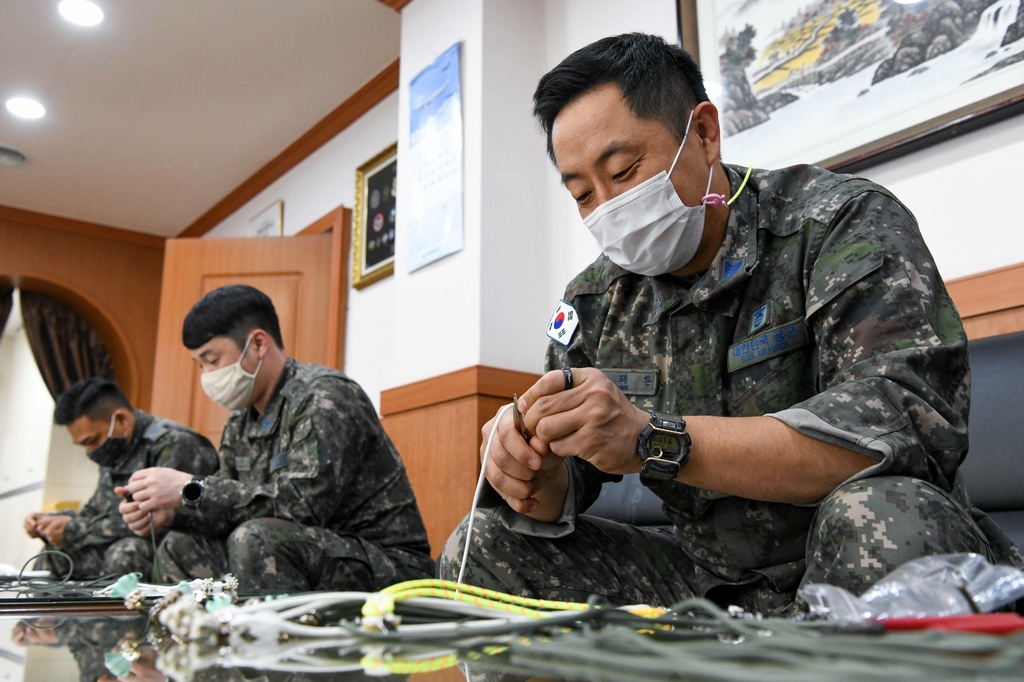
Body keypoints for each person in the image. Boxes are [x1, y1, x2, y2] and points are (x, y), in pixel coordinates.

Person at [440, 33, 1024, 614]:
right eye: (583, 194)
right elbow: (564, 491)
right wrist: (528, 471)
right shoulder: (596, 302)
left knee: (879, 514)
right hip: (705, 582)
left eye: (622, 171)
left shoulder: (838, 224)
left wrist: (652, 439)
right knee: (486, 544)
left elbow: (906, 429)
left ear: (703, 133)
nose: (608, 208)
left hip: (867, 553)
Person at [118, 284, 433, 592]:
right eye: (199, 364)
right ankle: (206, 641)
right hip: (308, 550)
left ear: (258, 344)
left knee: (256, 539)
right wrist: (174, 513)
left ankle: (274, 643)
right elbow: (233, 511)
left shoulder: (325, 396)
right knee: (179, 546)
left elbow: (302, 509)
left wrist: (193, 490)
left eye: (212, 361)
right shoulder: (240, 422)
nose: (206, 376)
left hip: (385, 564)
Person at [22, 379, 218, 580]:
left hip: (178, 553)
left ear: (121, 419)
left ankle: (120, 613)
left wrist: (74, 529)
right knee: (54, 555)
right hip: (126, 545)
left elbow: (166, 522)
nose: (90, 452)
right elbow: (97, 511)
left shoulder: (176, 444)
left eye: (92, 441)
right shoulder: (116, 450)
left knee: (126, 553)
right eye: (84, 445)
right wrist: (51, 521)